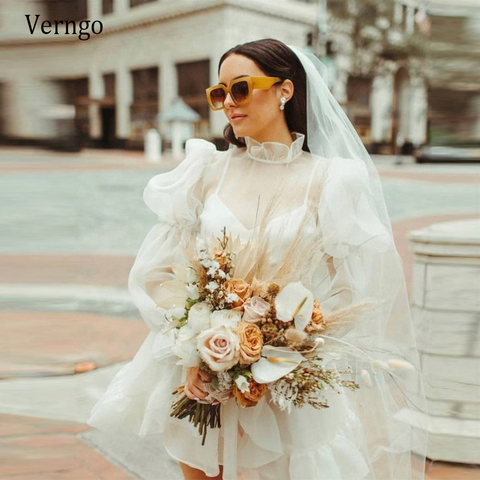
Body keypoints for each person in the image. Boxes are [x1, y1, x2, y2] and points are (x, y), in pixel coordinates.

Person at [87, 38, 428, 480]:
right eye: (219, 92)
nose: (228, 102)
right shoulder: (205, 172)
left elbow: (353, 287)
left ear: (285, 90)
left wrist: (290, 341)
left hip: (285, 383)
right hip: (200, 375)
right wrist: (194, 348)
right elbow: (161, 273)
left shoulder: (331, 181)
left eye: (241, 88)